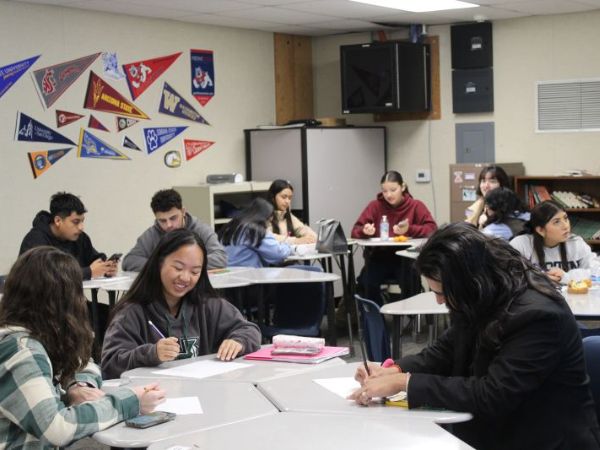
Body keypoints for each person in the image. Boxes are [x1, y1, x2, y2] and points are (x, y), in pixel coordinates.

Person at [350, 223, 600, 450]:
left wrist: (405, 383)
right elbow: (446, 350)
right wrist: (395, 369)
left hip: (545, 439)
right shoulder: (482, 292)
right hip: (495, 431)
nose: (439, 300)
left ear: (470, 281)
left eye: (443, 291)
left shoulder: (538, 315)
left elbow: (493, 394)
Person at [0, 247, 165, 448]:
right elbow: (57, 428)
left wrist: (78, 386)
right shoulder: (21, 350)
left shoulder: (40, 331)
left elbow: (82, 361)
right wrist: (131, 401)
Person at [102, 229, 261, 379]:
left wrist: (238, 341)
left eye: (195, 272)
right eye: (178, 268)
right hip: (154, 401)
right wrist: (152, 353)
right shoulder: (132, 312)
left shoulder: (208, 304)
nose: (185, 278)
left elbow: (249, 329)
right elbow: (110, 364)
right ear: (159, 262)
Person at [351, 170, 437, 304]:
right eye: (384, 191)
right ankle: (377, 319)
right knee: (366, 283)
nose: (388, 195)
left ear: (402, 187)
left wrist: (409, 229)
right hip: (378, 258)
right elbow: (355, 231)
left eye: (393, 190)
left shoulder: (415, 206)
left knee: (411, 282)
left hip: (406, 259)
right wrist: (365, 231)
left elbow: (432, 229)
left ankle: (409, 320)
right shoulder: (375, 206)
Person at [122, 188, 227, 271]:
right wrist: (163, 265)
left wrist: (183, 265)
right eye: (162, 220)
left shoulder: (201, 230)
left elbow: (220, 258)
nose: (169, 225)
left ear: (183, 211)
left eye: (173, 218)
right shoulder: (151, 234)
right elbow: (129, 261)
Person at [19, 192, 116, 280]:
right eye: (76, 222)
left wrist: (106, 267)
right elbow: (46, 277)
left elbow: (93, 259)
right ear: (58, 221)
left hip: (71, 298)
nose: (81, 227)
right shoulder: (35, 240)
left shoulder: (80, 237)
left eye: (82, 221)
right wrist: (89, 272)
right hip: (39, 299)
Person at [510, 200, 598, 284]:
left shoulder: (575, 243)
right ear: (540, 230)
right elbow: (508, 277)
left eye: (565, 218)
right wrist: (539, 278)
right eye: (557, 222)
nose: (566, 226)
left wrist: (566, 277)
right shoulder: (521, 244)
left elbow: (596, 271)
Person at [219, 197, 292, 268]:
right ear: (264, 217)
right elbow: (277, 253)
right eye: (269, 219)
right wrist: (289, 247)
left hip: (227, 273)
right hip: (249, 274)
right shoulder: (254, 231)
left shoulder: (230, 226)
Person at [267, 179, 317, 244]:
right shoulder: (264, 216)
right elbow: (267, 237)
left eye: (290, 198)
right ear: (273, 197)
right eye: (284, 197)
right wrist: (295, 240)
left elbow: (303, 229)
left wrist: (312, 237)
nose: (287, 201)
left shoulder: (288, 215)